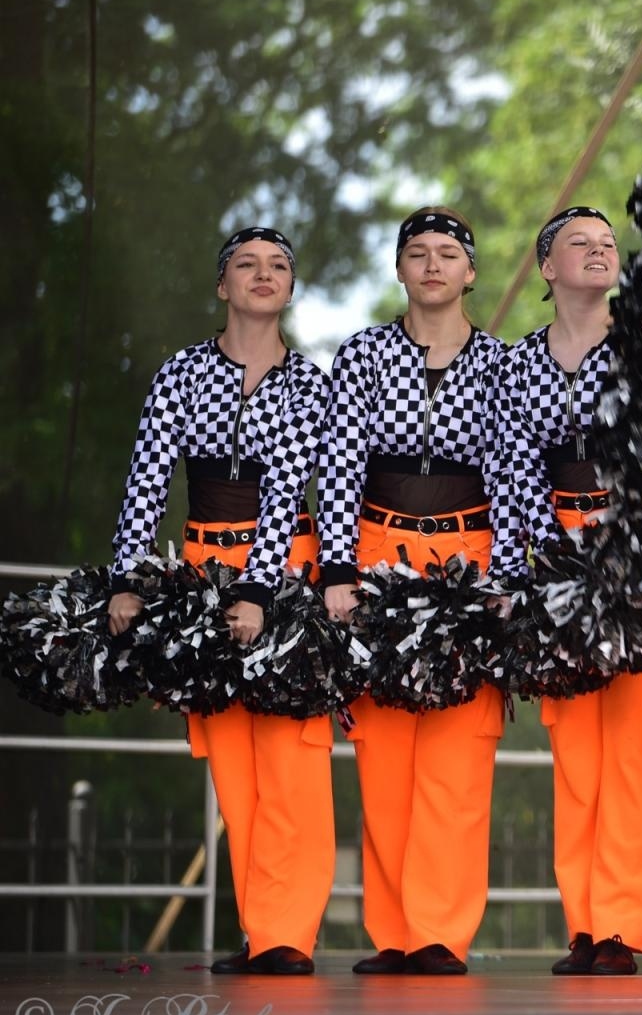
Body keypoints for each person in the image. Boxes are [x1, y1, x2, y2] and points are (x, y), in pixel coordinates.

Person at [109, 227, 332, 975]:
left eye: (278, 267)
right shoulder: (179, 374)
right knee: (233, 768)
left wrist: (259, 594)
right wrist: (130, 581)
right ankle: (259, 927)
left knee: (291, 762)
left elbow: (284, 492)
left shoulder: (310, 383)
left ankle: (289, 936)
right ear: (222, 286)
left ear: (291, 290)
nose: (263, 276)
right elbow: (146, 486)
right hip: (200, 570)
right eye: (247, 265)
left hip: (283, 570)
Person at [320, 206, 508, 976]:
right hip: (378, 556)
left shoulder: (502, 362)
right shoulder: (363, 353)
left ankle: (440, 933)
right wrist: (337, 570)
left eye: (448, 254)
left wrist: (511, 578)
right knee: (384, 757)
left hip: (469, 561)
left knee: (459, 761)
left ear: (470, 272)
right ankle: (393, 932)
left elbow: (514, 471)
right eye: (417, 254)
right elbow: (337, 463)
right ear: (399, 270)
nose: (432, 265)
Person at [491, 206, 642, 977]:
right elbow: (509, 472)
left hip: (635, 560)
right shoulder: (513, 365)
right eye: (581, 244)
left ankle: (623, 928)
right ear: (547, 267)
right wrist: (546, 568)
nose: (600, 253)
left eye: (608, 245)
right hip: (555, 566)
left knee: (635, 748)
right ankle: (583, 923)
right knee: (576, 753)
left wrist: (626, 548)